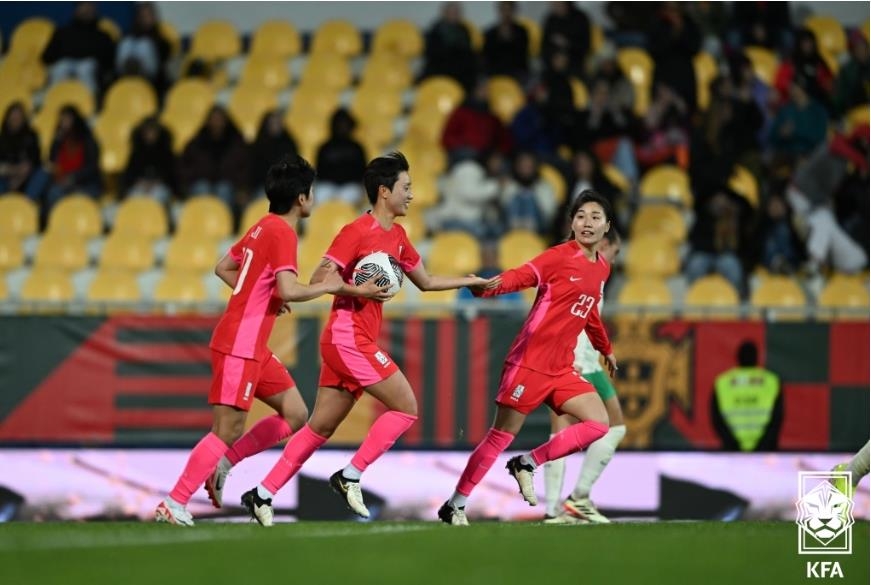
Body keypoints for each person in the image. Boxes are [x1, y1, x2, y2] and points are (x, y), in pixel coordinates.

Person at [240, 152, 491, 526]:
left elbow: (426, 282)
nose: (411, 195)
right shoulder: (356, 232)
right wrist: (360, 290)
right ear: (384, 191)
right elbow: (320, 277)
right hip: (348, 337)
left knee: (320, 427)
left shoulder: (400, 237)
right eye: (406, 188)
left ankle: (262, 494)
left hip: (350, 340)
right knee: (406, 407)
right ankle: (350, 475)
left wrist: (468, 282)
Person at [154, 155, 359, 526]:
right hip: (240, 345)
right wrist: (326, 286)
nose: (312, 198)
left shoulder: (263, 226)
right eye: (311, 192)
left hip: (251, 345)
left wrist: (259, 297)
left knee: (296, 414)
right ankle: (174, 500)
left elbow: (223, 267)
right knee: (227, 429)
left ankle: (224, 464)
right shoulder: (283, 233)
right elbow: (288, 288)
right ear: (301, 197)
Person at [438, 190, 618, 526]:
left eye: (595, 216)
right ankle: (455, 505)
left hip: (562, 368)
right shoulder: (558, 257)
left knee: (598, 423)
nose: (587, 222)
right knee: (501, 435)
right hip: (529, 362)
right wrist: (487, 287)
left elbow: (590, 313)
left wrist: (604, 347)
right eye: (581, 216)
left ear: (607, 226)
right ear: (572, 223)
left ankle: (527, 463)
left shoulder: (602, 268)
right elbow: (520, 276)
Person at [542, 228, 624, 524]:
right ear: (604, 245)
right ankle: (556, 508)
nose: (614, 261)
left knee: (615, 427)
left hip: (589, 362)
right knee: (563, 430)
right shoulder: (577, 269)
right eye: (614, 253)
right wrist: (568, 357)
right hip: (571, 360)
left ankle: (575, 499)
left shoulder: (594, 272)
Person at [710, 340, 783, 452]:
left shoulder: (722, 383)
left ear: (737, 357)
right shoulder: (771, 382)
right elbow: (777, 419)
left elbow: (717, 420)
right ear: (757, 358)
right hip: (765, 454)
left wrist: (733, 446)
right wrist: (762, 447)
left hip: (732, 454)